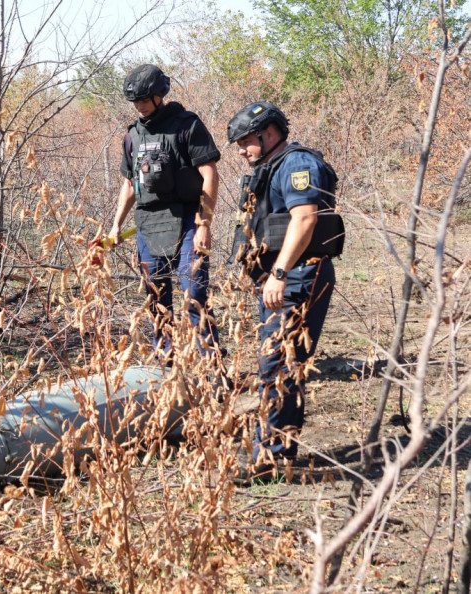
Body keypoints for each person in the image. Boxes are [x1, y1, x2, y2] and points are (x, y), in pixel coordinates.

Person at [226, 102, 343, 482]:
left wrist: (279, 271)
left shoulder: (297, 164)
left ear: (269, 133)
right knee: (275, 366)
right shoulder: (269, 168)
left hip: (298, 277)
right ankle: (273, 453)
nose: (242, 150)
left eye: (246, 142)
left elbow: (305, 218)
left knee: (280, 367)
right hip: (279, 281)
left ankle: (270, 462)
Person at [108, 64, 222, 359]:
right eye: (136, 102)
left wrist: (204, 225)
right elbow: (130, 184)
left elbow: (210, 174)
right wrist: (115, 226)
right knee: (156, 298)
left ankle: (213, 370)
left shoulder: (186, 125)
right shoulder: (132, 135)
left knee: (193, 294)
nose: (140, 107)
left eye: (145, 100)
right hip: (149, 223)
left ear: (160, 95)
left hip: (187, 219)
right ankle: (166, 365)